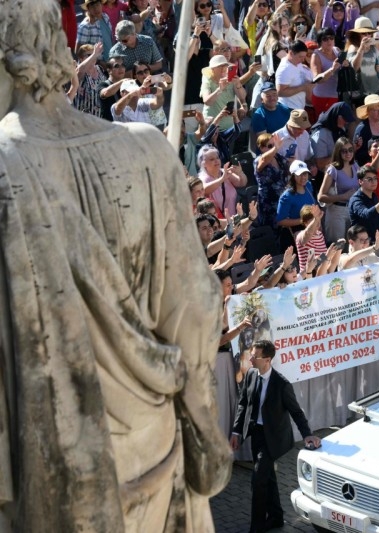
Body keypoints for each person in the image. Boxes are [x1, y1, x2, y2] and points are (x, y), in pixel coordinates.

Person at [0, 1, 230, 528]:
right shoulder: (147, 148)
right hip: (158, 457)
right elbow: (197, 310)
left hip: (54, 488)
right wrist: (205, 436)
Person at [230, 341, 321, 532]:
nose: (251, 359)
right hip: (256, 434)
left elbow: (296, 412)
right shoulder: (251, 374)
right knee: (267, 476)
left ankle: (256, 527)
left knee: (258, 480)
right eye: (251, 354)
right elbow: (243, 403)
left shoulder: (281, 385)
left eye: (255, 356)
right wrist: (236, 431)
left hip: (273, 439)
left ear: (267, 360)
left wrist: (307, 435)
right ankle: (276, 517)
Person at [319, 137, 361, 242]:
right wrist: (343, 196)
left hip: (352, 210)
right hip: (337, 211)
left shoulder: (355, 165)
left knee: (351, 246)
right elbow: (321, 196)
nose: (348, 153)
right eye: (344, 151)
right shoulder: (333, 169)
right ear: (338, 152)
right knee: (338, 246)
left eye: (350, 150)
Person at [349, 164, 379, 240]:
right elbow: (367, 215)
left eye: (375, 178)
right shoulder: (356, 199)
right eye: (369, 179)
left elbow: (377, 219)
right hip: (362, 242)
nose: (374, 182)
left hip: (376, 240)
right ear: (360, 181)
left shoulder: (373, 196)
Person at [275, 40, 312, 111]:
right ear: (291, 53)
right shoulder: (285, 69)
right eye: (300, 57)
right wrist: (303, 87)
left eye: (304, 57)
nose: (303, 60)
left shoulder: (296, 62)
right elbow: (280, 92)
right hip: (288, 109)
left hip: (299, 107)